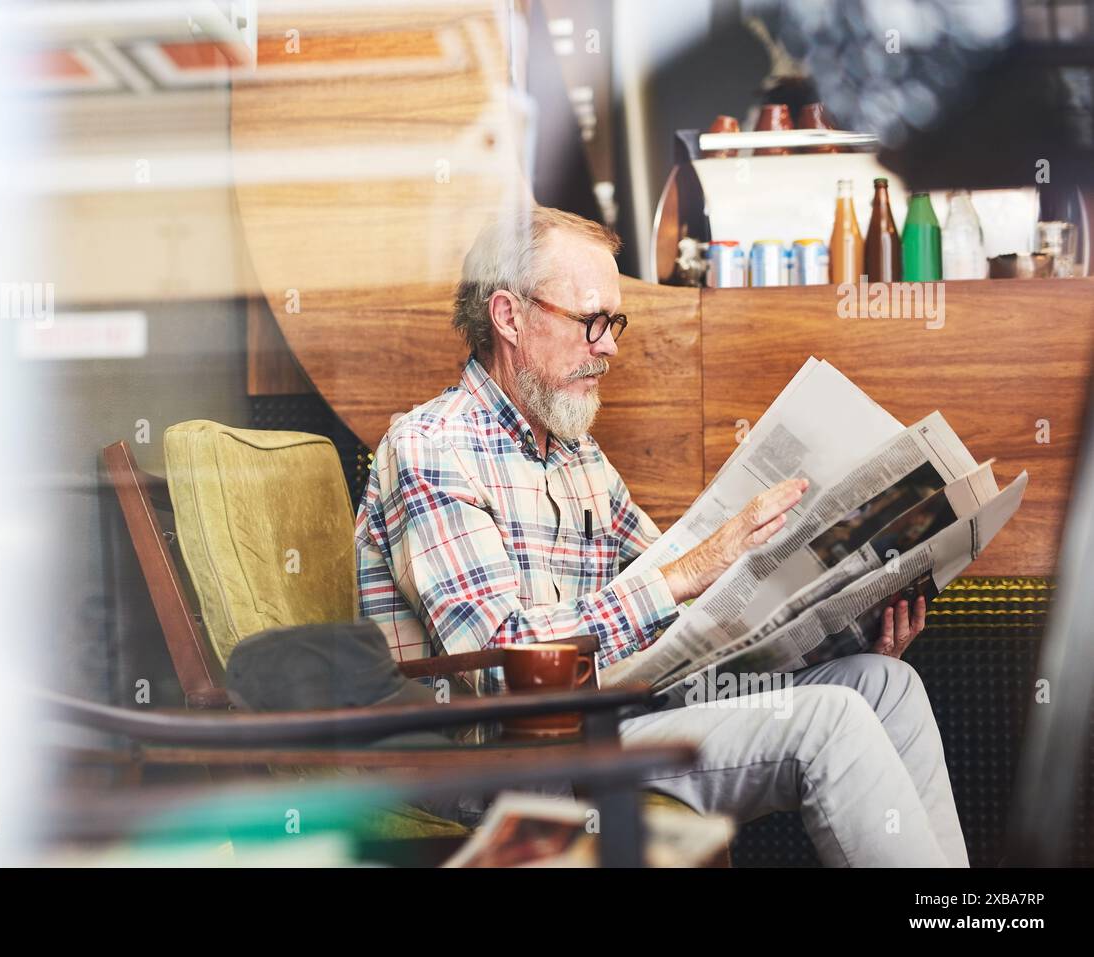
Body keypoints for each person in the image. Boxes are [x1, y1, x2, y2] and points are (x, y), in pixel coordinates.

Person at [354, 204, 968, 866]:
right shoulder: (429, 448)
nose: (610, 344)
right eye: (592, 320)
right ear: (509, 316)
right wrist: (688, 571)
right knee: (831, 721)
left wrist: (834, 622)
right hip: (496, 763)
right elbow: (503, 673)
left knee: (883, 684)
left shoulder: (576, 456)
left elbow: (700, 624)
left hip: (609, 722)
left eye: (613, 322)